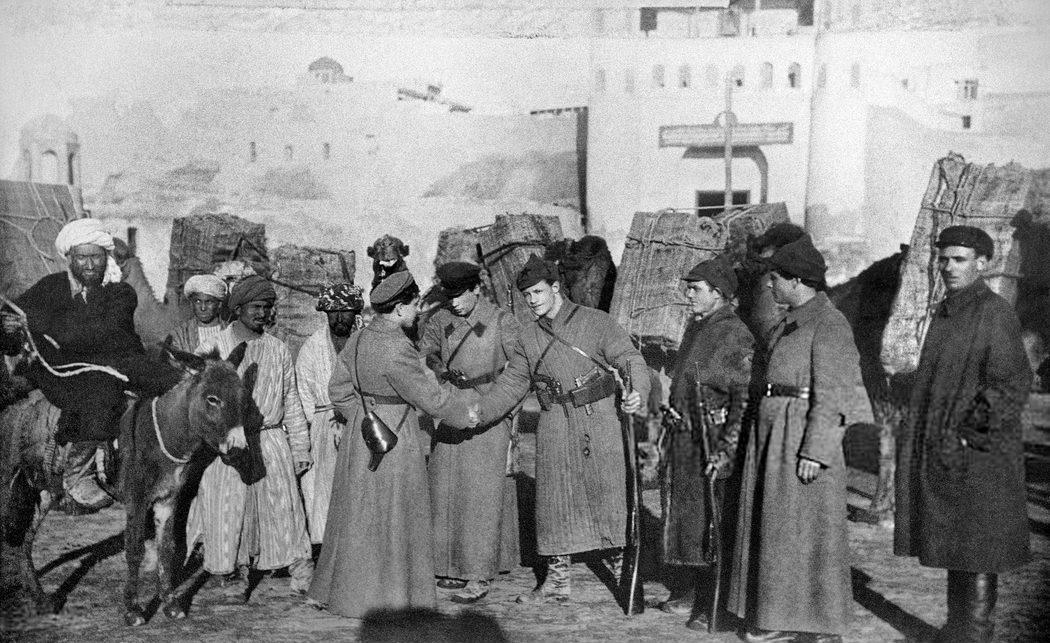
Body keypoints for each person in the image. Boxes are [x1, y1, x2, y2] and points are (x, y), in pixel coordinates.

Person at [475, 254, 649, 605]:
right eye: (527, 295)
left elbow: (630, 359)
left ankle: (622, 568)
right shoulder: (528, 337)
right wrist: (478, 412)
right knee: (553, 499)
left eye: (538, 292)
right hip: (554, 419)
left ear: (556, 288)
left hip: (598, 418)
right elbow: (512, 384)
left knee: (608, 492)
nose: (532, 300)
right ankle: (556, 580)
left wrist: (637, 390)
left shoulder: (596, 322)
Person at [309, 271, 479, 618]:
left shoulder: (359, 339)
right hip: (395, 441)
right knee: (394, 515)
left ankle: (346, 593)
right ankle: (391, 598)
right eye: (415, 305)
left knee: (358, 515)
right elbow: (431, 398)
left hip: (362, 437)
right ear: (400, 308)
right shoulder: (398, 347)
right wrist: (468, 415)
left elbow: (337, 390)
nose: (417, 311)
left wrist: (363, 416)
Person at [728, 235, 871, 643]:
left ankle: (817, 624)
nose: (769, 285)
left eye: (776, 278)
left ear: (797, 280)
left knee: (809, 531)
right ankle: (778, 614)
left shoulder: (829, 323)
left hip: (801, 436)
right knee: (779, 529)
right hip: (776, 433)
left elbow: (836, 392)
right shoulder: (788, 322)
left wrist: (816, 450)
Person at [894, 226, 1032, 643]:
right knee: (959, 541)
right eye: (944, 259)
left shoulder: (994, 312)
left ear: (982, 263)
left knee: (977, 545)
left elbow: (1010, 382)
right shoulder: (948, 311)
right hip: (946, 448)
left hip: (978, 455)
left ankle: (973, 633)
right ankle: (958, 629)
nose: (948, 267)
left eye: (959, 259)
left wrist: (970, 435)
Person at [0, 218, 180, 513]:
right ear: (69, 257)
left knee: (173, 380)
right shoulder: (49, 287)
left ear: (105, 257)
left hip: (118, 360)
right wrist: (9, 327)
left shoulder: (120, 293)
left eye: (96, 256)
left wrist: (37, 322)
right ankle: (78, 474)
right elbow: (12, 325)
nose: (89, 264)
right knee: (103, 386)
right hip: (65, 371)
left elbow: (95, 333)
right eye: (81, 257)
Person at [185, 275, 314, 597]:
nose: (262, 313)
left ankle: (300, 568)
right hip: (227, 442)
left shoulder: (278, 349)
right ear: (238, 308)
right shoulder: (214, 348)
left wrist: (300, 447)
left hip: (271, 439)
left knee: (284, 506)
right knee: (231, 508)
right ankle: (234, 573)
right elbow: (197, 402)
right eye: (256, 307)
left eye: (267, 307)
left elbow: (291, 401)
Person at [419, 261, 521, 604]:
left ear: (477, 289)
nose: (454, 302)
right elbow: (426, 353)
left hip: (487, 409)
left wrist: (498, 409)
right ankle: (450, 566)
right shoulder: (440, 319)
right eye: (448, 295)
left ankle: (478, 573)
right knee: (446, 491)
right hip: (450, 409)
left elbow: (519, 370)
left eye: (460, 295)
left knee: (481, 495)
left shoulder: (501, 320)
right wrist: (438, 372)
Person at [661, 256, 754, 629]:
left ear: (718, 293)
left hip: (711, 439)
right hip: (685, 436)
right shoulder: (697, 327)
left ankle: (710, 602)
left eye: (695, 289)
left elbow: (742, 399)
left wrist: (727, 448)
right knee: (686, 517)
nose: (688, 294)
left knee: (712, 523)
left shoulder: (735, 334)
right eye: (689, 288)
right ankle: (689, 589)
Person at [295, 282, 364, 545]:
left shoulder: (366, 342)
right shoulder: (312, 347)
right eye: (333, 312)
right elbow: (303, 392)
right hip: (323, 423)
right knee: (321, 487)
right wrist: (315, 429)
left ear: (355, 311)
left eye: (345, 311)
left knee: (359, 483)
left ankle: (359, 542)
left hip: (361, 420)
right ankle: (324, 545)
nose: (339, 318)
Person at [170, 274, 227, 352]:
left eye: (209, 302)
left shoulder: (231, 332)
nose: (203, 308)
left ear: (219, 304)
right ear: (191, 304)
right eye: (198, 301)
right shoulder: (179, 335)